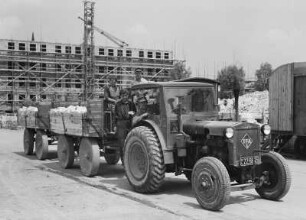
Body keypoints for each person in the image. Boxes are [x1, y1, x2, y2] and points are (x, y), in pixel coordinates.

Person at [114, 89, 136, 163]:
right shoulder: (118, 104)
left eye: (126, 95)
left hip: (129, 123)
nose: (124, 97)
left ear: (128, 96)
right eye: (123, 96)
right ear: (121, 96)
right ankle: (124, 162)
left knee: (131, 141)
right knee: (122, 144)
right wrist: (115, 125)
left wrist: (132, 114)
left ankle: (131, 161)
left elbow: (135, 112)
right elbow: (115, 115)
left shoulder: (131, 104)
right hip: (121, 124)